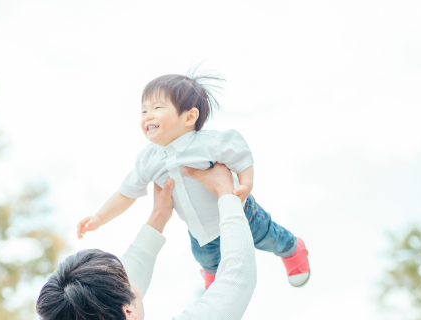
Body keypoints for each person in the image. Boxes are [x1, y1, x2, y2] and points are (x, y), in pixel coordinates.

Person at [37, 164, 257, 320]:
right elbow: (238, 273)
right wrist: (226, 192)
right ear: (128, 310)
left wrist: (159, 216)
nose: (132, 282)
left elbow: (98, 305)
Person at [75, 73, 310, 289]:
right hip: (200, 232)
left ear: (189, 116)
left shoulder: (207, 143)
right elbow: (126, 193)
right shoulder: (148, 158)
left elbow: (240, 154)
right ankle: (211, 275)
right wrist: (99, 217)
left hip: (242, 215)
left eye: (157, 107)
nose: (148, 115)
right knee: (207, 259)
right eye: (143, 110)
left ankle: (292, 249)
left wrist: (246, 184)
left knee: (269, 237)